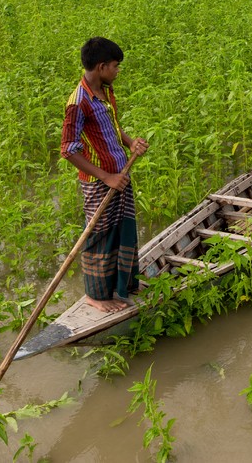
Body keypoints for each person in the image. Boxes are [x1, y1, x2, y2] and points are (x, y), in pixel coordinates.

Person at [60, 37, 148, 313]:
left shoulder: (106, 91)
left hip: (120, 175)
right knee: (101, 236)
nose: (117, 71)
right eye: (115, 66)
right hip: (100, 184)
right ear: (100, 67)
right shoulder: (78, 102)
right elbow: (68, 150)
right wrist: (106, 177)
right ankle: (96, 296)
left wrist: (130, 143)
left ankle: (126, 284)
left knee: (124, 229)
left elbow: (113, 126)